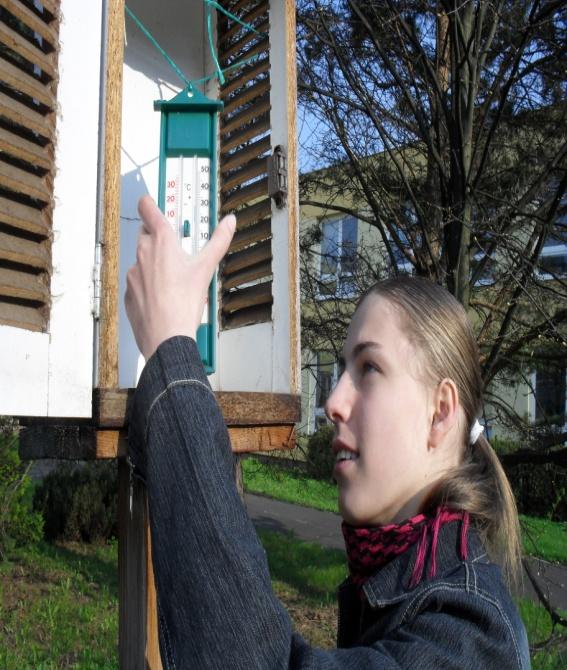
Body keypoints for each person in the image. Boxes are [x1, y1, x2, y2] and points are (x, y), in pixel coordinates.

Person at [125, 196, 531, 669]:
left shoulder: (473, 638)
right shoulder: (409, 586)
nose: (333, 402)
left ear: (440, 412)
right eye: (342, 371)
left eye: (370, 368)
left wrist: (172, 349)